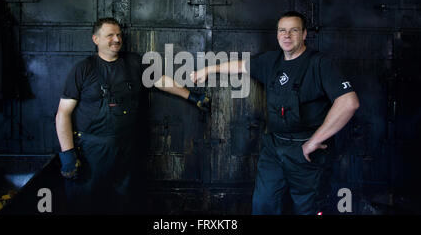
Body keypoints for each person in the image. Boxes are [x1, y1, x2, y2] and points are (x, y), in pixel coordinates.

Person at [190, 11, 360, 215]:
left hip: (306, 152)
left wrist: (315, 140)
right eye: (282, 30)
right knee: (264, 205)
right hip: (274, 146)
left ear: (304, 34)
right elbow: (241, 66)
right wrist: (208, 70)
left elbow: (349, 102)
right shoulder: (271, 61)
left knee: (308, 208)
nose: (287, 35)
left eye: (293, 30)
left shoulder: (320, 63)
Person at [55, 17, 209, 214]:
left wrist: (192, 96)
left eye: (118, 35)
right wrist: (68, 154)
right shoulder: (83, 69)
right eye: (110, 35)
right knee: (86, 205)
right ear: (96, 39)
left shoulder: (134, 62)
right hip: (91, 153)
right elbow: (63, 114)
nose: (116, 39)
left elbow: (160, 80)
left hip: (125, 151)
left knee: (124, 204)